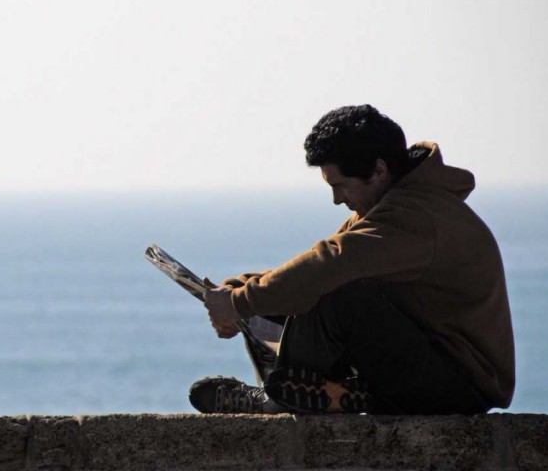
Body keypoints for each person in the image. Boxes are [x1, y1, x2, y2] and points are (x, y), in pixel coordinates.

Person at [189, 105, 514, 415]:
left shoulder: (415, 217)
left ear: (378, 170)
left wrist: (240, 302)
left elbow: (329, 264)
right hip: (426, 366)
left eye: (341, 186)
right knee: (298, 293)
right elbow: (313, 268)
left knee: (335, 292)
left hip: (459, 386)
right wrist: (237, 293)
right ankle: (337, 393)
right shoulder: (391, 206)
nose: (336, 199)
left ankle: (279, 399)